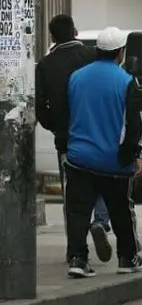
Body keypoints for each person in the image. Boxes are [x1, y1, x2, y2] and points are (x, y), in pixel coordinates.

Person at [64, 27, 142, 278]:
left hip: (79, 158)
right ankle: (128, 257)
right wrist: (138, 156)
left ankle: (78, 259)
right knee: (122, 211)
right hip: (114, 161)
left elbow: (69, 112)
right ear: (120, 52)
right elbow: (135, 124)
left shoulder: (77, 77)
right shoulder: (126, 82)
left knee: (78, 212)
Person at [35, 14, 114, 264]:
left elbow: (40, 108)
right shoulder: (93, 56)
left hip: (67, 138)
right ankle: (100, 221)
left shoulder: (46, 65)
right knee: (102, 181)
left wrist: (56, 126)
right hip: (99, 132)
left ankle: (76, 252)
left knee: (73, 195)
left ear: (52, 37)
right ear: (75, 31)